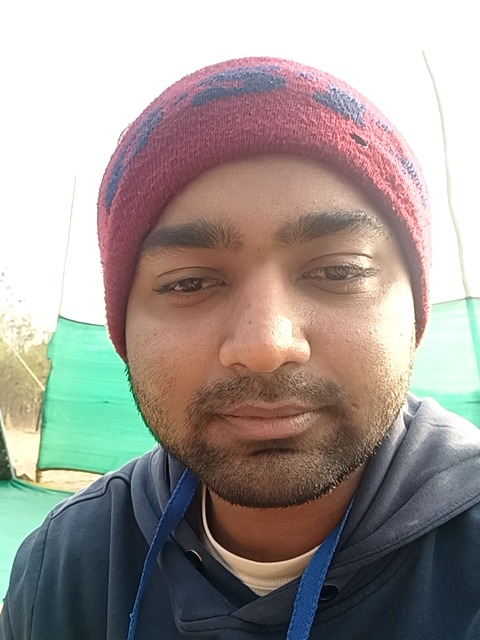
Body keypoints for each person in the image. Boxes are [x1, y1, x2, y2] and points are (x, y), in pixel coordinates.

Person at [2, 56, 480, 640]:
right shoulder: (61, 570)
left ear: (416, 310)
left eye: (338, 270)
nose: (265, 346)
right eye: (189, 283)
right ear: (123, 327)